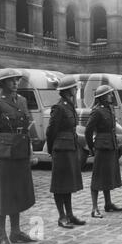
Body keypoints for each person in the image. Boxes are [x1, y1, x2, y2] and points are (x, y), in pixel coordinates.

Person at [0, 69, 36, 244]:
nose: (15, 83)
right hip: (3, 155)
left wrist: (31, 151)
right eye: (11, 80)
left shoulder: (22, 101)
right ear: (2, 83)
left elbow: (27, 128)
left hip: (21, 152)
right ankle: (2, 235)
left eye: (16, 80)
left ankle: (15, 231)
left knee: (17, 192)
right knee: (2, 195)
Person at [46, 75, 85, 229]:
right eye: (75, 87)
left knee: (68, 183)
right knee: (59, 184)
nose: (76, 89)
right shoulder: (59, 107)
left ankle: (69, 214)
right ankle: (61, 216)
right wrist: (52, 149)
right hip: (61, 149)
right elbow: (50, 131)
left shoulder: (69, 105)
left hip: (70, 148)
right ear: (69, 90)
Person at [85, 85, 122, 216]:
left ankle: (108, 203)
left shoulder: (109, 108)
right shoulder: (97, 111)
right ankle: (94, 208)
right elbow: (88, 130)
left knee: (108, 175)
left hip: (111, 145)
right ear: (102, 97)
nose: (111, 96)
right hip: (101, 146)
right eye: (109, 94)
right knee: (98, 177)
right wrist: (92, 147)